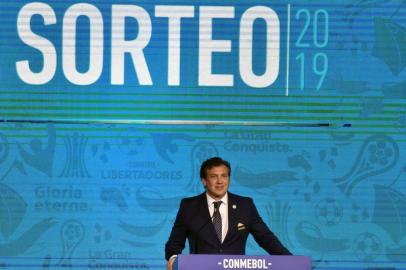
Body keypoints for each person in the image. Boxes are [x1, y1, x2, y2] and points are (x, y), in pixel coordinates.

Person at [165, 157, 291, 270]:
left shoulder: (245, 205)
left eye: (224, 176)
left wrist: (291, 262)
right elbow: (174, 243)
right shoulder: (189, 206)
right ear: (204, 180)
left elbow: (266, 238)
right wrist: (174, 260)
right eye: (214, 176)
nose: (220, 181)